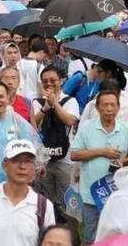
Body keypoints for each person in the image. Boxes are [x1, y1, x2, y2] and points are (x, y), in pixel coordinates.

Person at [70, 90, 128, 245]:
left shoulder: (125, 128)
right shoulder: (86, 127)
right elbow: (74, 155)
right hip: (91, 194)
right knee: (91, 237)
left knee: (116, 237)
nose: (109, 109)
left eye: (113, 105)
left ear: (118, 108)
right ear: (97, 108)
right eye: (105, 105)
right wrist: (102, 152)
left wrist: (124, 162)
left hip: (116, 195)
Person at [0, 139, 56, 246]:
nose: (22, 166)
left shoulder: (44, 206)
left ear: (34, 167)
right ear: (4, 165)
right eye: (16, 160)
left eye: (28, 161)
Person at [0, 81, 44, 187]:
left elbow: (32, 146)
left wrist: (39, 164)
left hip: (13, 181)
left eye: (1, 97)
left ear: (8, 99)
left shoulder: (17, 121)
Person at [33, 65, 80, 207]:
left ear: (61, 81)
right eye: (45, 80)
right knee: (45, 199)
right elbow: (32, 124)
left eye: (53, 80)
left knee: (65, 200)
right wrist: (44, 108)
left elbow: (70, 120)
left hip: (65, 158)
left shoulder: (70, 101)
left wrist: (55, 104)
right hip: (43, 157)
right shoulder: (37, 102)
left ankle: (64, 226)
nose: (49, 83)